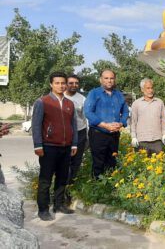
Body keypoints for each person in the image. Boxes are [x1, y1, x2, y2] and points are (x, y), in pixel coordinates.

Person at [32, 72, 78, 221]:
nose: (60, 86)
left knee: (62, 178)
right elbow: (36, 125)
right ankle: (43, 209)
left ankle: (58, 204)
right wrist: (38, 145)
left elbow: (74, 125)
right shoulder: (42, 102)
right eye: (57, 83)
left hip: (66, 147)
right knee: (45, 179)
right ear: (51, 84)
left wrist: (74, 143)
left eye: (63, 83)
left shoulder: (70, 104)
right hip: (48, 147)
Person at [84, 69, 129, 179]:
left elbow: (126, 111)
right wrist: (104, 125)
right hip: (98, 133)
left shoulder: (118, 94)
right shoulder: (94, 93)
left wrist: (121, 123)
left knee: (112, 161)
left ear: (115, 80)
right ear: (101, 79)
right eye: (106, 78)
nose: (109, 80)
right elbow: (88, 112)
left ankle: (110, 188)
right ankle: (98, 189)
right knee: (98, 163)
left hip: (114, 134)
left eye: (111, 78)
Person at [64, 74, 88, 198]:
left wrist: (87, 137)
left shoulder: (82, 99)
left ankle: (70, 191)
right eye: (71, 83)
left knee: (76, 163)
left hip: (80, 133)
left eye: (76, 83)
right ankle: (61, 190)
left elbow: (86, 119)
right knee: (63, 163)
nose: (74, 86)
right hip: (64, 135)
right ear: (66, 84)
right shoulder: (60, 96)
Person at [131, 78, 165, 157]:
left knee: (158, 165)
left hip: (157, 141)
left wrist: (164, 134)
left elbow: (163, 120)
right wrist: (133, 137)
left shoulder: (159, 102)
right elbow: (133, 122)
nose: (150, 90)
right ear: (142, 89)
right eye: (148, 88)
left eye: (151, 88)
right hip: (141, 140)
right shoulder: (136, 103)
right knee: (142, 166)